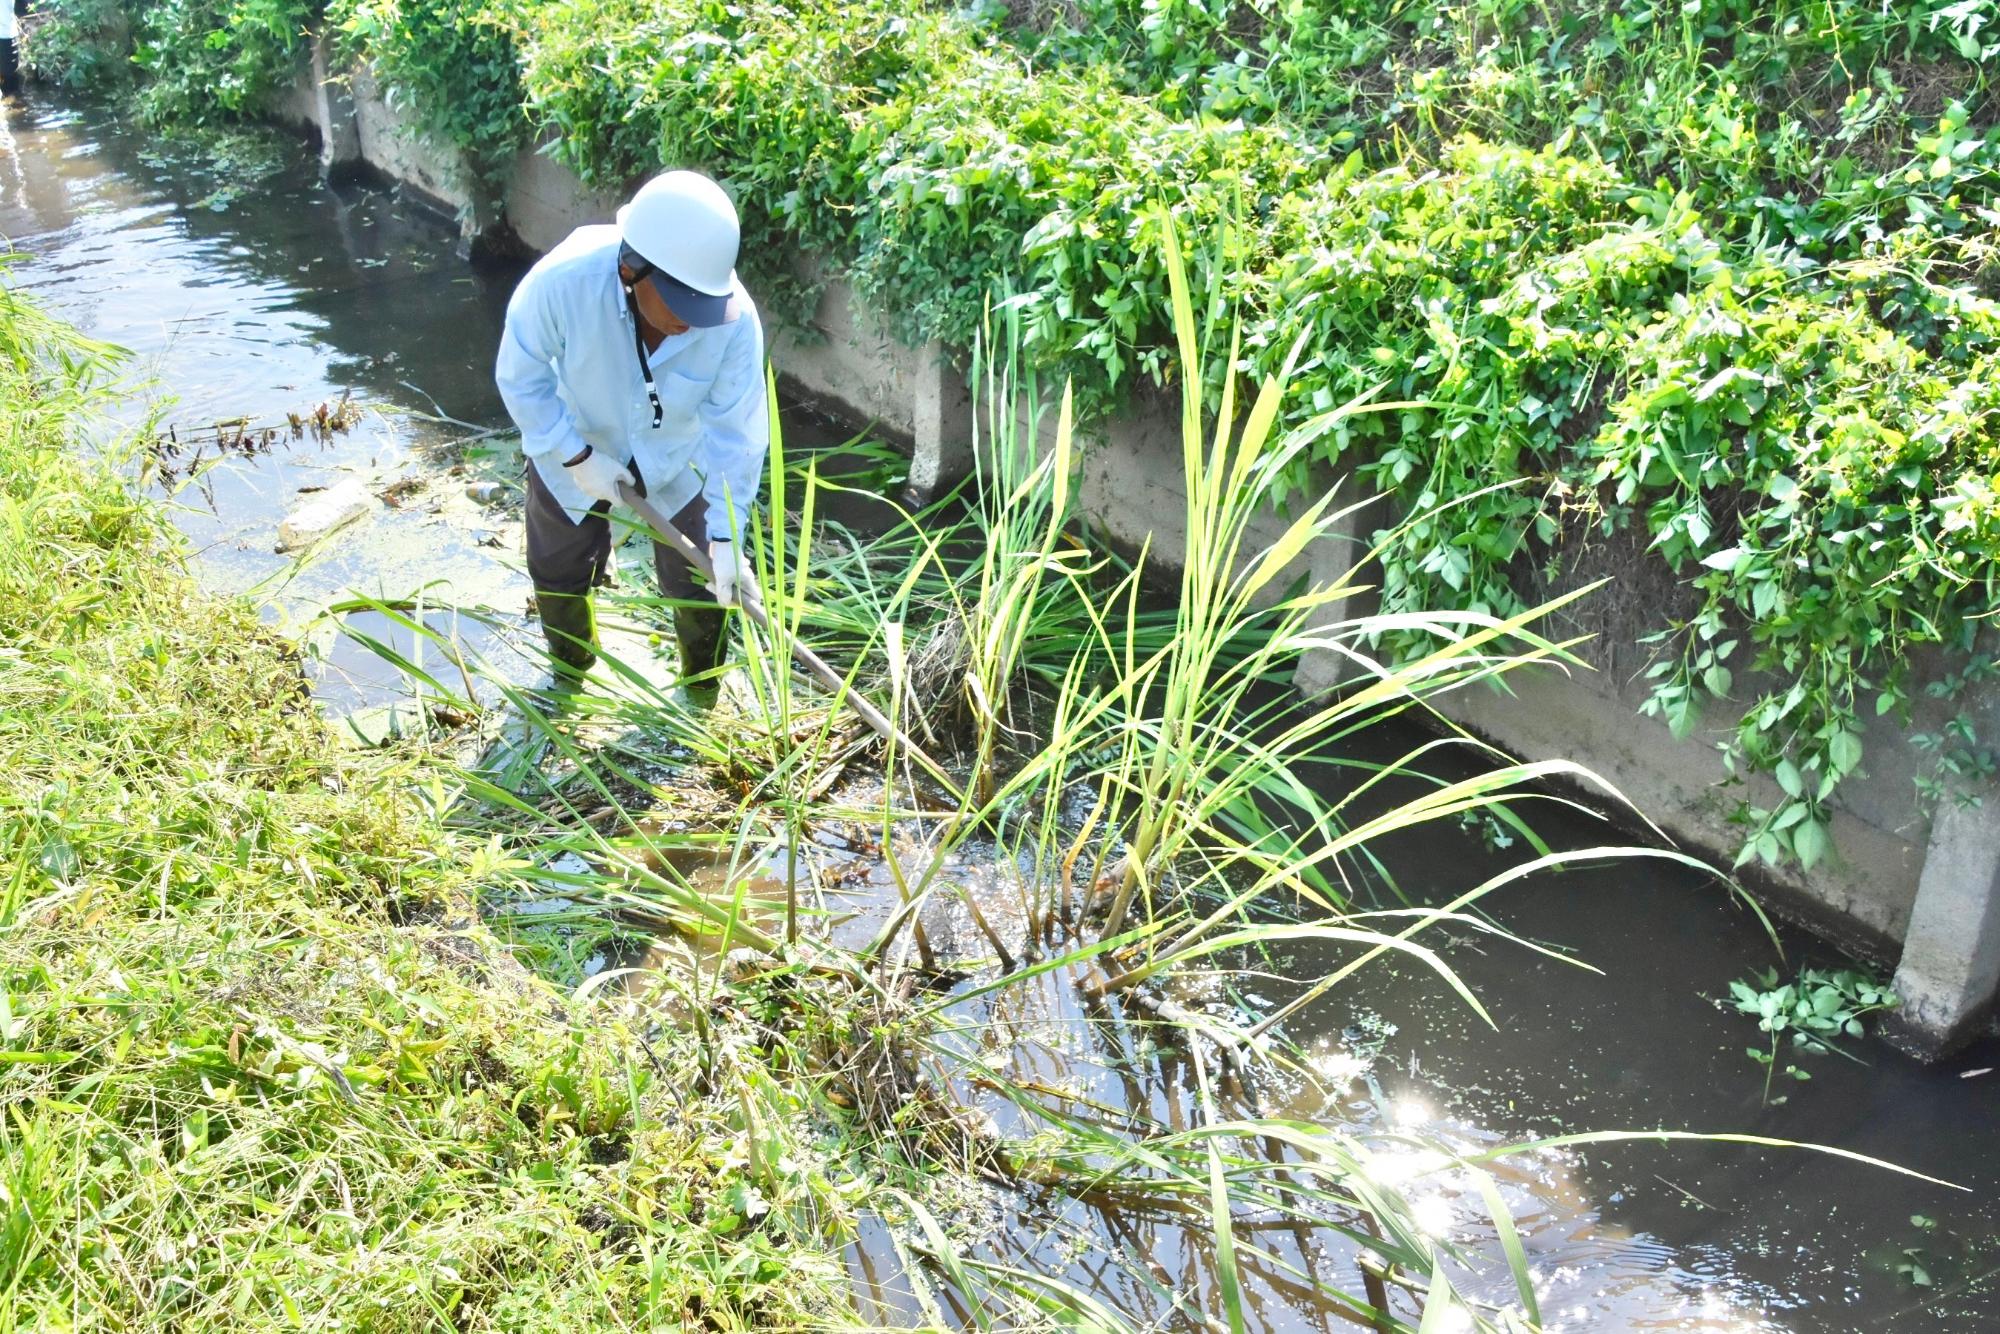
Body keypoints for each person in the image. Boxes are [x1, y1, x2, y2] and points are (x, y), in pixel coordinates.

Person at [494, 169, 767, 696]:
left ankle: (703, 684)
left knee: (699, 583)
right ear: (631, 271)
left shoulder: (733, 322)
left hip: (673, 457)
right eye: (681, 305)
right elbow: (520, 375)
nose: (694, 321)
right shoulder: (563, 282)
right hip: (573, 437)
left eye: (703, 305)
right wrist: (574, 456)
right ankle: (572, 674)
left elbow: (737, 434)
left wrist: (729, 537)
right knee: (558, 565)